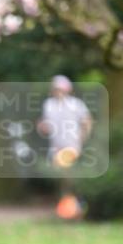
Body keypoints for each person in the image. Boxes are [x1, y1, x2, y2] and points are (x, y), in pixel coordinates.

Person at [37, 75, 91, 218]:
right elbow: (45, 124)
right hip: (55, 147)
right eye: (56, 89)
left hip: (71, 146)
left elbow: (86, 121)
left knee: (68, 178)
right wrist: (42, 127)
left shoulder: (76, 104)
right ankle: (66, 210)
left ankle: (73, 209)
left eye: (60, 89)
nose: (58, 92)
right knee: (61, 178)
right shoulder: (48, 104)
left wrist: (82, 139)